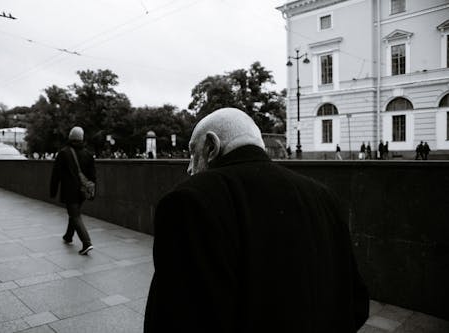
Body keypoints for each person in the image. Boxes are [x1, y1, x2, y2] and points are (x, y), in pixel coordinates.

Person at [144, 108, 369, 333]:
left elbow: (175, 319)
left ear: (212, 146)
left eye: (193, 153)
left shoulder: (189, 201)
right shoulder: (324, 196)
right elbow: (357, 303)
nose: (189, 166)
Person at [50, 126, 95, 255]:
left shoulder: (64, 153)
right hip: (82, 191)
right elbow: (93, 176)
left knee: (75, 215)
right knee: (74, 213)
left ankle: (86, 242)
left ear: (70, 137)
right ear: (82, 139)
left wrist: (53, 191)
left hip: (69, 191)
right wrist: (91, 192)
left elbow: (56, 174)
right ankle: (68, 236)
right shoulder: (88, 154)